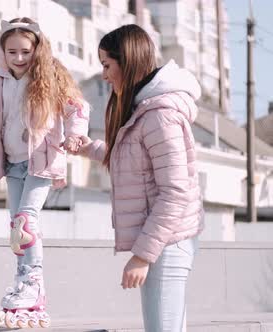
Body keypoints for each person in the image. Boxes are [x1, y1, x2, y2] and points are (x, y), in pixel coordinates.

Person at [75, 24, 204, 331]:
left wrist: (142, 257)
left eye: (107, 65)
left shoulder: (160, 115)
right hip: (163, 239)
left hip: (167, 243)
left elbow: (175, 192)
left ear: (128, 61)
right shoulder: (145, 111)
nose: (104, 75)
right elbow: (136, 162)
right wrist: (89, 149)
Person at [0, 17, 89, 328]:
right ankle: (25, 280)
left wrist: (75, 135)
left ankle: (33, 281)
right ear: (2, 51)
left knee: (26, 220)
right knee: (16, 226)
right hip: (11, 161)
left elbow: (77, 107)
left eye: (26, 51)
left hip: (42, 160)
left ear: (37, 49)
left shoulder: (50, 76)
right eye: (12, 52)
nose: (19, 58)